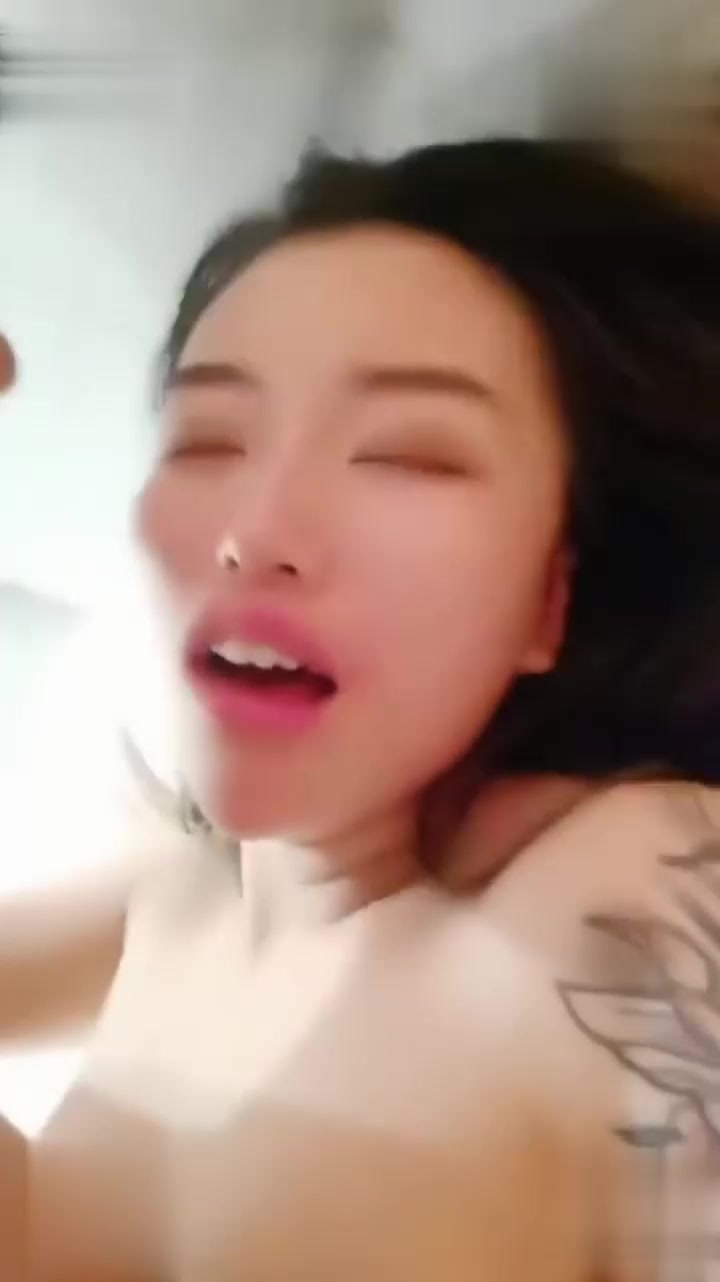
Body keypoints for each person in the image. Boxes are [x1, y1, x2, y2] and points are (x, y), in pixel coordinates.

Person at [2, 136, 720, 1280]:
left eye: (406, 455)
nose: (255, 532)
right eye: (207, 439)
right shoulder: (172, 897)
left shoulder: (626, 889)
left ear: (553, 597)